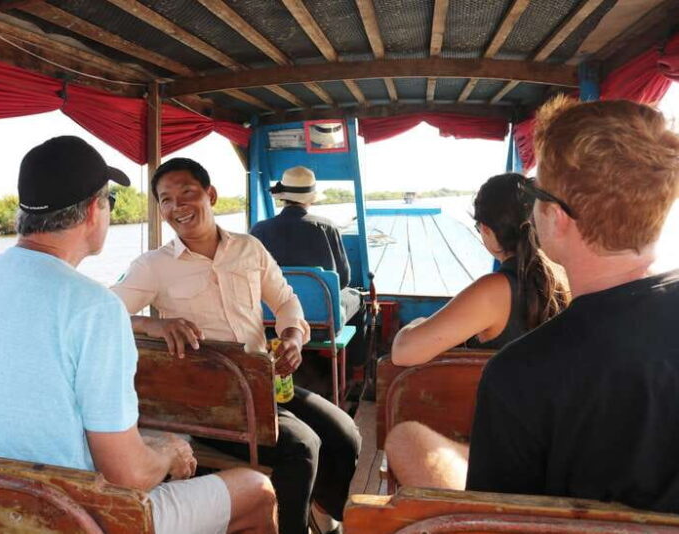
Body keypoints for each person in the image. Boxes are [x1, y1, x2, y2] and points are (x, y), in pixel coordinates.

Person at [0, 136, 277, 534]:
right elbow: (127, 475)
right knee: (256, 490)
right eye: (109, 202)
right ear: (95, 212)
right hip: (62, 517)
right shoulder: (94, 307)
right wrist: (167, 455)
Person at [112, 158, 361, 534]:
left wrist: (293, 334)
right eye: (165, 200)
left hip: (263, 382)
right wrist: (153, 323)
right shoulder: (153, 266)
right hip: (206, 400)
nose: (177, 206)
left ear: (210, 195)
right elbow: (102, 316)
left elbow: (285, 300)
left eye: (187, 193)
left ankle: (322, 514)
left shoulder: (249, 248)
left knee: (345, 434)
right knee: (301, 446)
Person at [465, 97, 679, 513]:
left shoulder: (518, 375)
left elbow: (493, 523)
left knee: (411, 442)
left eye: (533, 190)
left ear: (557, 216)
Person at [384, 172, 569, 490]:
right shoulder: (568, 281)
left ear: (487, 231)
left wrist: (413, 325)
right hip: (554, 453)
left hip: (492, 451)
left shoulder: (494, 291)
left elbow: (403, 354)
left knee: (402, 438)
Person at [250, 166, 362, 323]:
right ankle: (354, 348)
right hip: (322, 323)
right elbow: (343, 279)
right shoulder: (328, 227)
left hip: (271, 322)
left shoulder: (258, 229)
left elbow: (249, 278)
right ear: (310, 199)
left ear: (283, 197)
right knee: (355, 296)